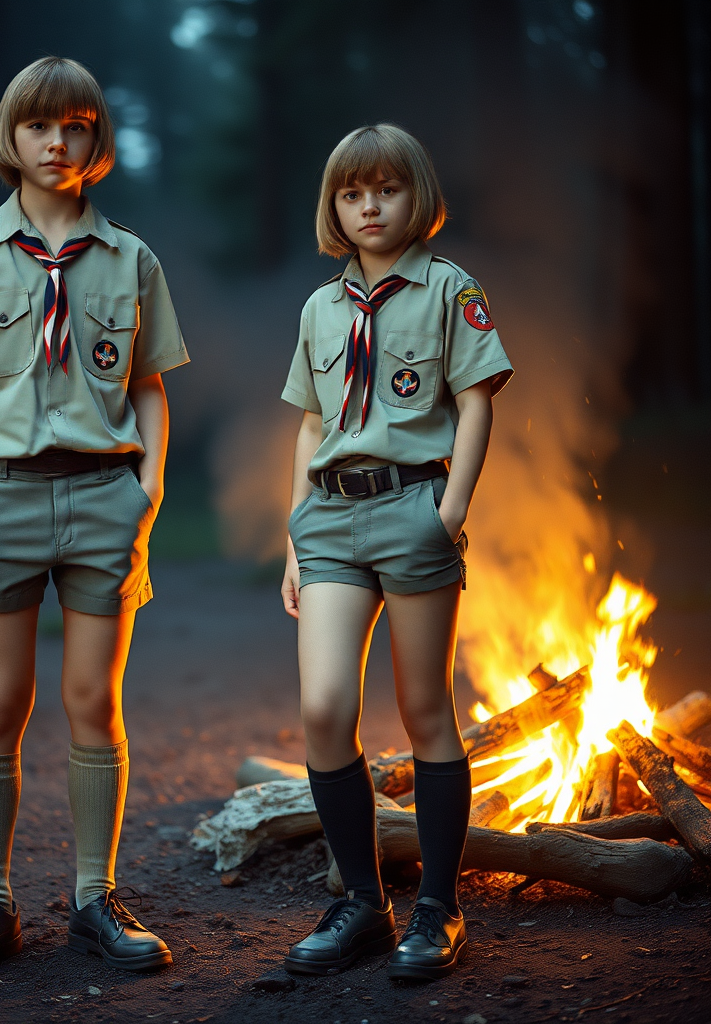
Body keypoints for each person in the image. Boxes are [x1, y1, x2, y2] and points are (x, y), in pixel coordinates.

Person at [0, 57, 188, 981]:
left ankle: (93, 898)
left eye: (75, 126)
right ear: (11, 140)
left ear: (94, 139)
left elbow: (147, 388)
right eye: (39, 127)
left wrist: (145, 494)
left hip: (106, 499)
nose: (58, 142)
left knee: (93, 703)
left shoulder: (131, 258)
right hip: (2, 497)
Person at [279, 124, 512, 981]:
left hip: (414, 507)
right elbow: (310, 420)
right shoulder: (320, 307)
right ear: (333, 207)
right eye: (351, 193)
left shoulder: (451, 291)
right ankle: (361, 908)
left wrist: (449, 510)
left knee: (424, 712)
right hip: (331, 520)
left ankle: (439, 911)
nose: (368, 206)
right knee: (324, 709)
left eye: (385, 190)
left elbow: (477, 400)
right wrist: (295, 537)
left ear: (418, 198)